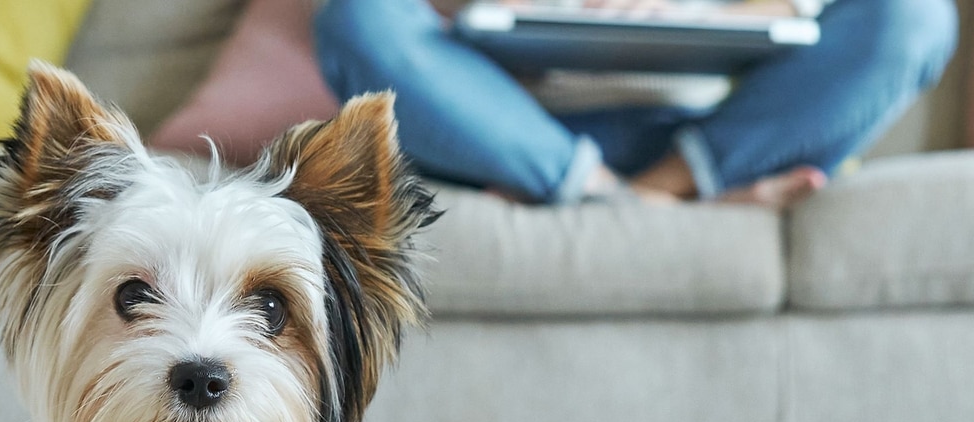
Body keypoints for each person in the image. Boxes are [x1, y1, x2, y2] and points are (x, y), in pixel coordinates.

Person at [313, 0, 959, 208]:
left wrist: (699, 16)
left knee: (916, 16)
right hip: (511, 129)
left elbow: (796, 9)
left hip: (721, 131)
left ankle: (644, 191)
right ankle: (633, 194)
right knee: (355, 17)